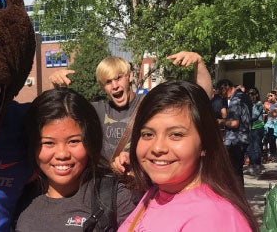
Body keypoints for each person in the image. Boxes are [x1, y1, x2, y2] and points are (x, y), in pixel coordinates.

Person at [117, 80, 258, 231]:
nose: (157, 148)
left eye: (176, 135)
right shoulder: (158, 191)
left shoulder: (213, 219)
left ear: (204, 144)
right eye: (147, 134)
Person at [49, 52, 213, 170]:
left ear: (130, 76)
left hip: (140, 184)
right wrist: (56, 86)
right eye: (108, 82)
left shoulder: (149, 104)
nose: (114, 86)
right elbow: (59, 112)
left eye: (118, 78)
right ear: (102, 87)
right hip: (106, 188)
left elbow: (201, 100)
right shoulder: (96, 110)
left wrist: (199, 64)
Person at [16, 88, 138, 231]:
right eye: (48, 143)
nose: (62, 154)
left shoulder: (117, 197)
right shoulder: (16, 194)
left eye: (74, 141)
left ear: (91, 140)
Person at [216, 79, 250, 191]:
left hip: (235, 141)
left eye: (222, 93)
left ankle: (238, 198)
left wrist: (220, 122)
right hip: (243, 138)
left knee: (234, 172)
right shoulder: (243, 96)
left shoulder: (235, 100)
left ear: (226, 87)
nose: (223, 97)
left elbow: (235, 123)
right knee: (237, 171)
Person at [247, 87, 265, 175]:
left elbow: (254, 116)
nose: (251, 96)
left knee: (256, 147)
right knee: (250, 147)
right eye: (249, 94)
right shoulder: (248, 104)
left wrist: (244, 118)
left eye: (252, 94)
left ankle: (257, 165)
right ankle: (251, 164)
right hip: (250, 128)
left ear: (257, 95)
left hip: (258, 128)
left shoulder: (259, 104)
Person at [264, 91, 277, 159]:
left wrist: (267, 110)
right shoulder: (271, 104)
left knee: (272, 140)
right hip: (269, 123)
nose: (269, 97)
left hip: (274, 124)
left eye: (271, 96)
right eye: (269, 96)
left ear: (275, 96)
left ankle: (273, 154)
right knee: (266, 139)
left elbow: (274, 114)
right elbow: (270, 113)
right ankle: (268, 154)